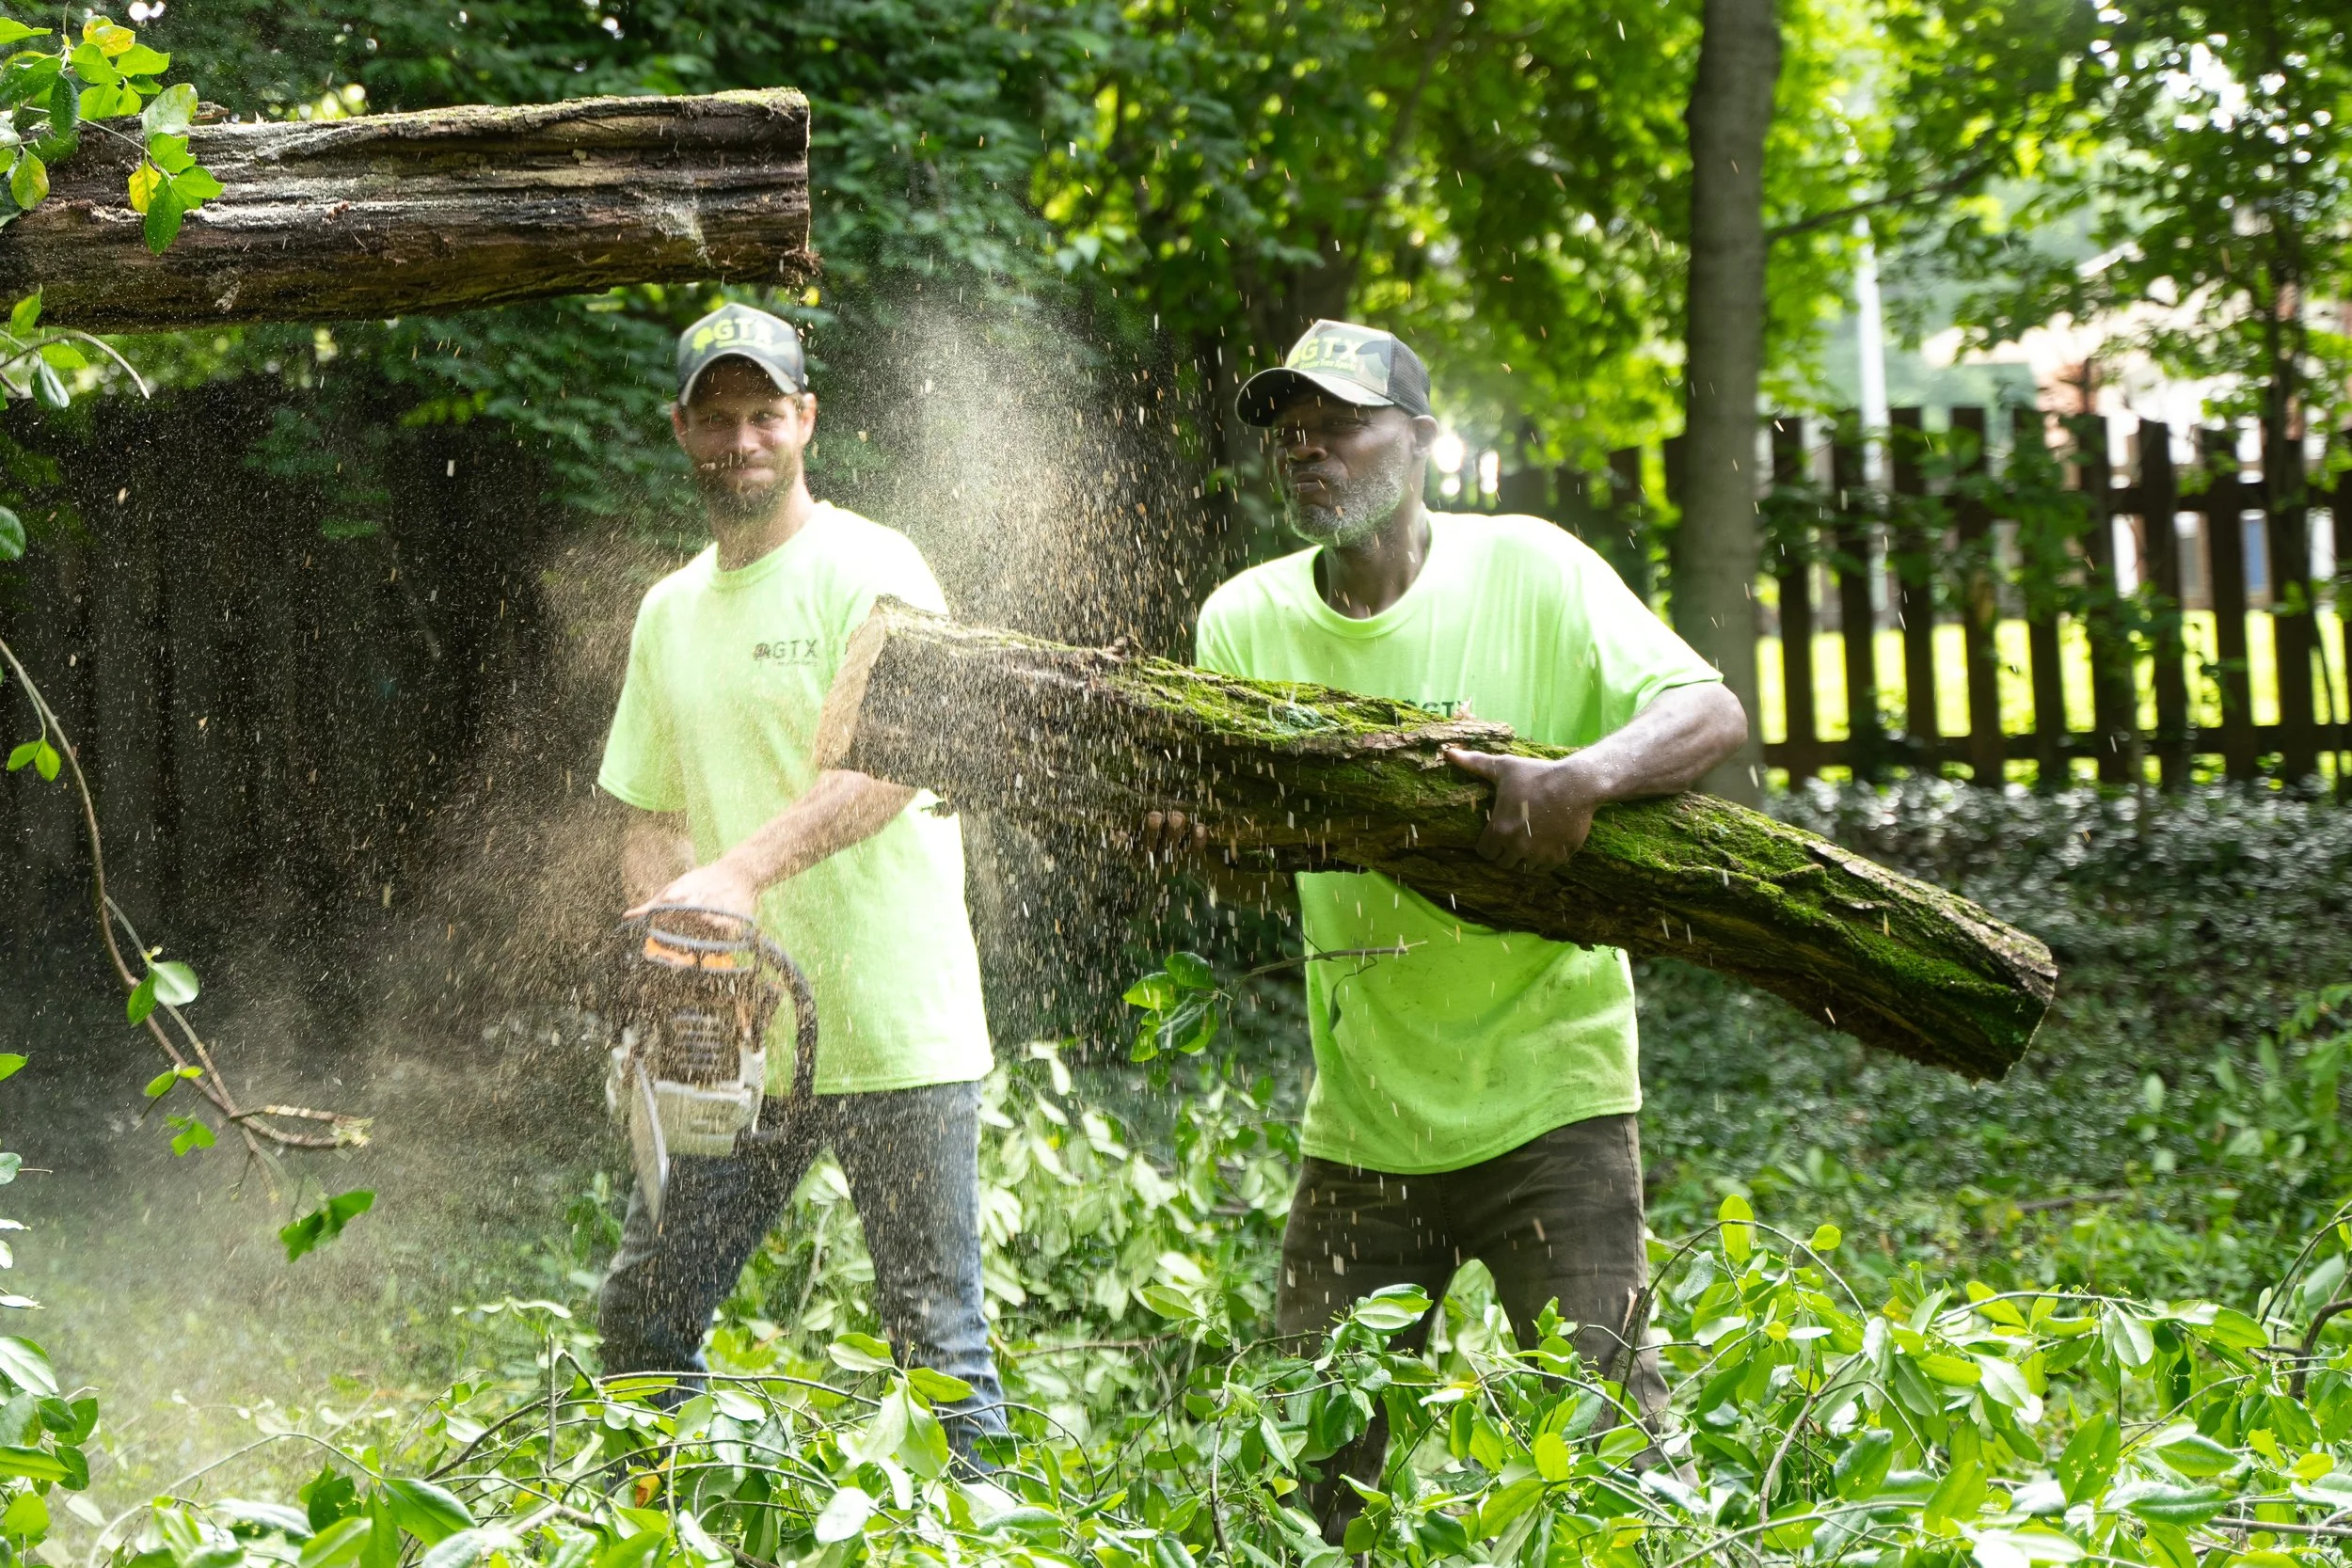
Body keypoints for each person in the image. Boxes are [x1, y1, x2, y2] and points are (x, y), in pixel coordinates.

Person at [1138, 320, 1747, 1532]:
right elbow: (1275, 866)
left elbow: (1707, 709)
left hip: (1553, 1101)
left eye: (1340, 423)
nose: (1306, 446)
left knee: (1613, 1457)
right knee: (1318, 1478)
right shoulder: (1242, 622)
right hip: (1365, 1118)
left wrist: (1579, 780)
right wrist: (1202, 846)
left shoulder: (1533, 566)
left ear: (1421, 439)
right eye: (1288, 428)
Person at [595, 302, 1006, 1452]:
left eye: (764, 415)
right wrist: (679, 952)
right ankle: (655, 1517)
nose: (742, 440)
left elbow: (896, 760)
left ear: (806, 419)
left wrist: (739, 872)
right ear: (681, 428)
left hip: (895, 1029)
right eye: (718, 417)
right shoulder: (668, 610)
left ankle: (976, 1528)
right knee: (644, 1316)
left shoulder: (871, 565)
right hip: (735, 1047)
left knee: (937, 1344)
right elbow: (650, 813)